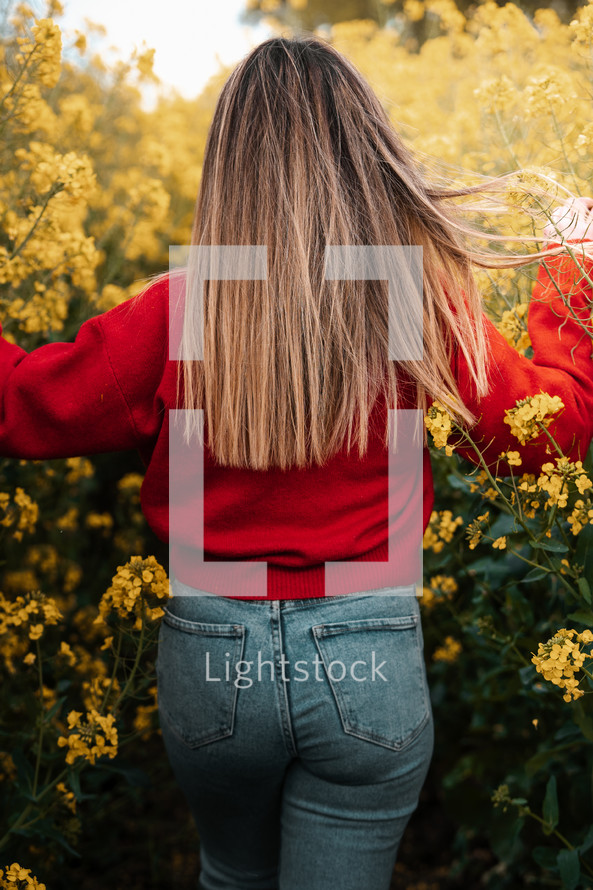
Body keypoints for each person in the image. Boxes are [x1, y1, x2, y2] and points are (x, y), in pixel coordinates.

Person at [2, 33, 593, 890]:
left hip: (210, 659)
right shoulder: (407, 296)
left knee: (232, 874)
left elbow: (23, 405)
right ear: (367, 155)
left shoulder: (187, 306)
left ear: (229, 168)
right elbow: (550, 435)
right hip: (367, 653)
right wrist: (572, 277)